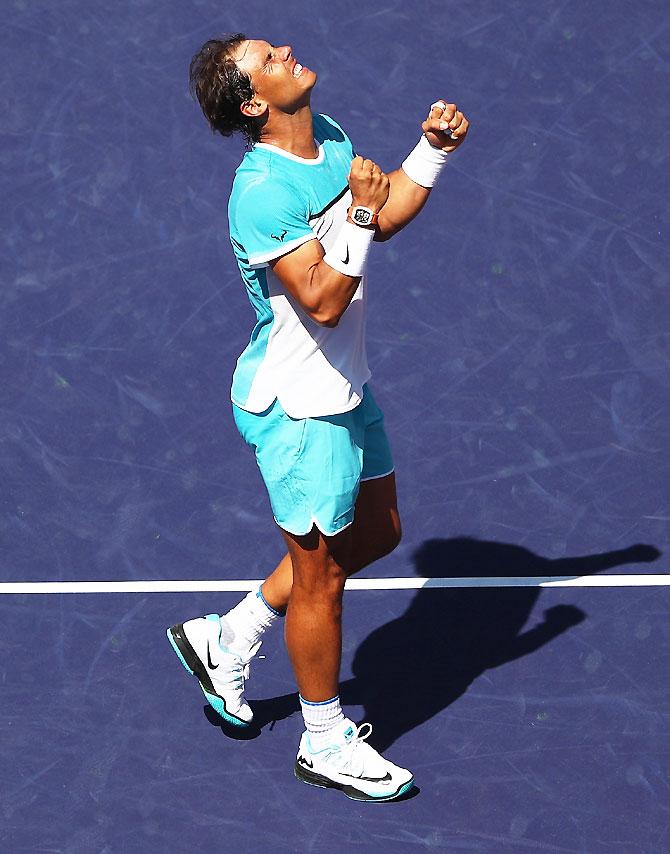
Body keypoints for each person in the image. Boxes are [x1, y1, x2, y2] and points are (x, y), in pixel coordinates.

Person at [167, 33, 469, 802]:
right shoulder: (261, 192)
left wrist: (428, 152)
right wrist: (364, 213)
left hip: (344, 387)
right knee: (322, 580)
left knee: (380, 532)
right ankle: (324, 737)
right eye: (268, 59)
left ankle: (230, 635)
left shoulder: (327, 137)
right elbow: (327, 300)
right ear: (253, 104)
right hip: (300, 406)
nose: (287, 50)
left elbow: (382, 212)